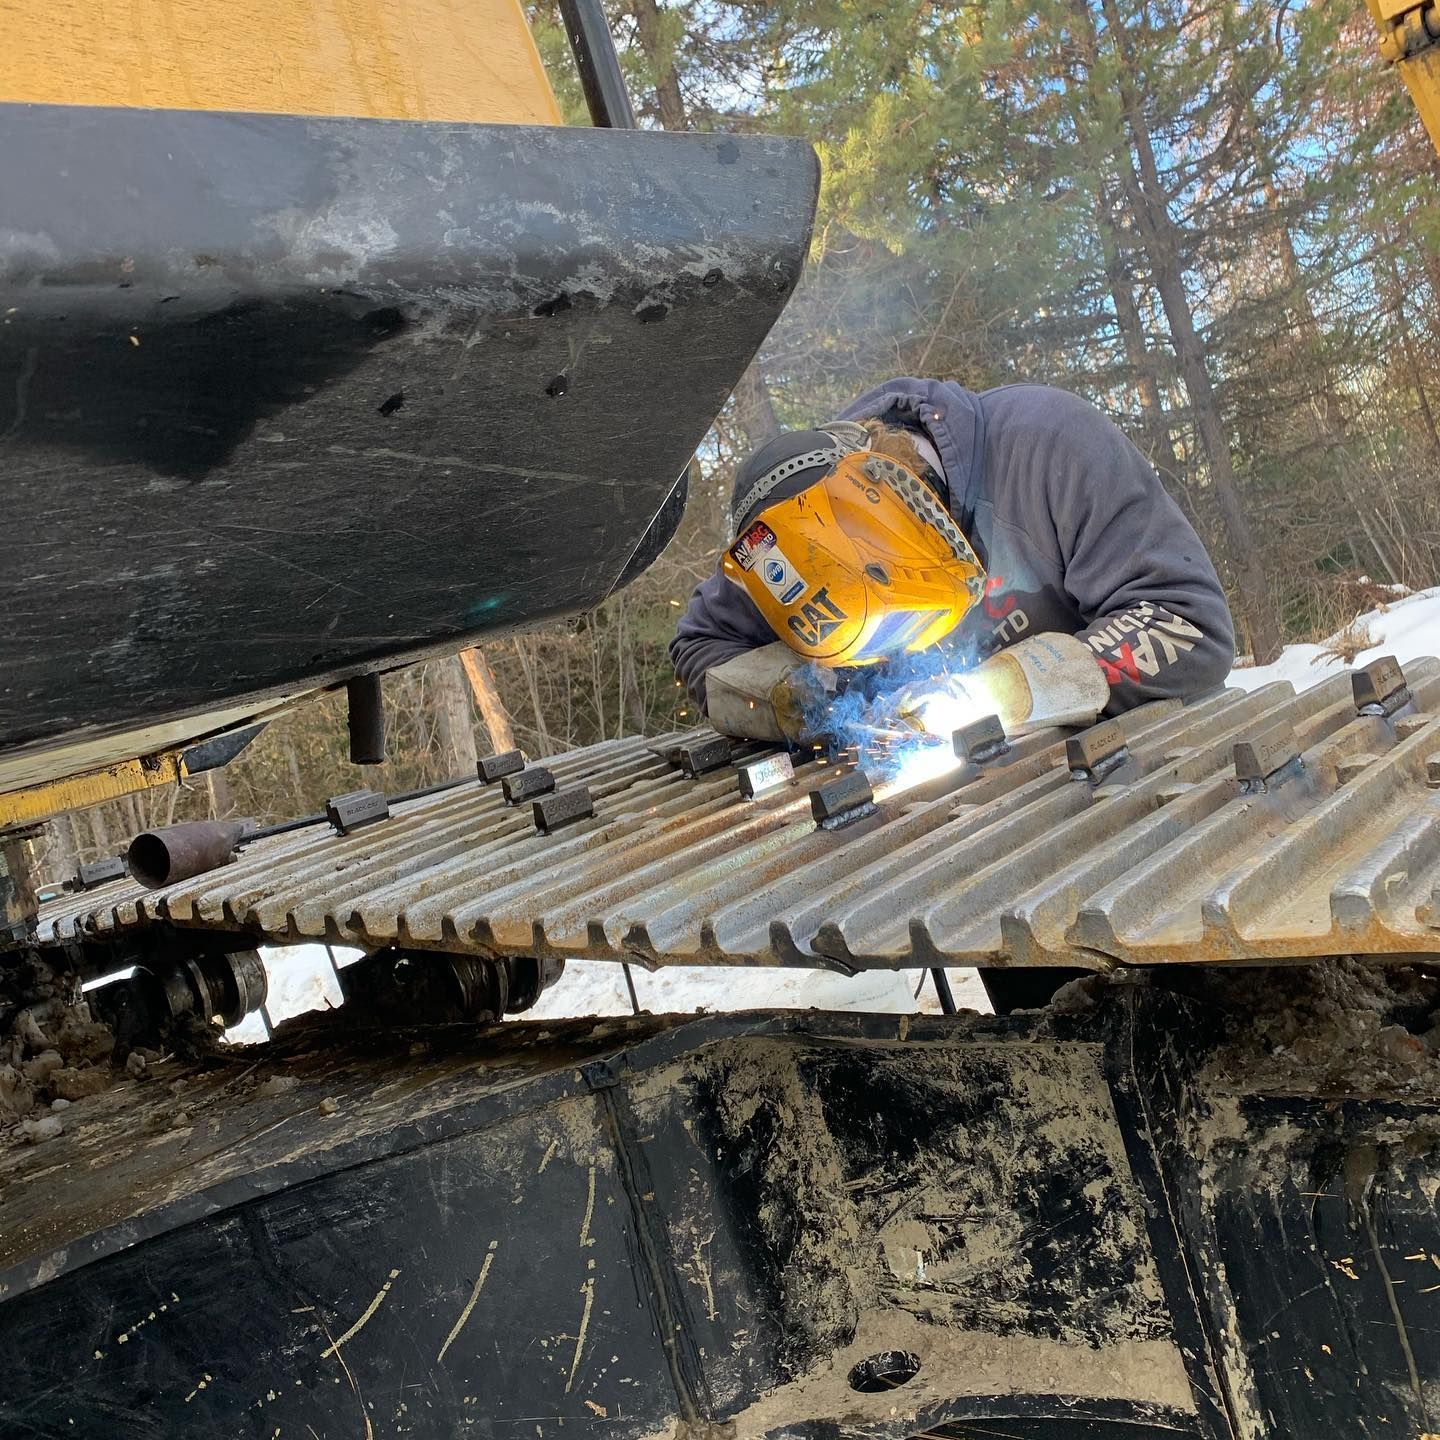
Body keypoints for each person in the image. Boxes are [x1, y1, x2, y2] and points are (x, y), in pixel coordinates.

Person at [670, 377, 1235, 744]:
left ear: (921, 516)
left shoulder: (1049, 447)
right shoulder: (782, 553)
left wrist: (1004, 690)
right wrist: (800, 700)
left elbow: (1186, 622)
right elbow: (700, 647)